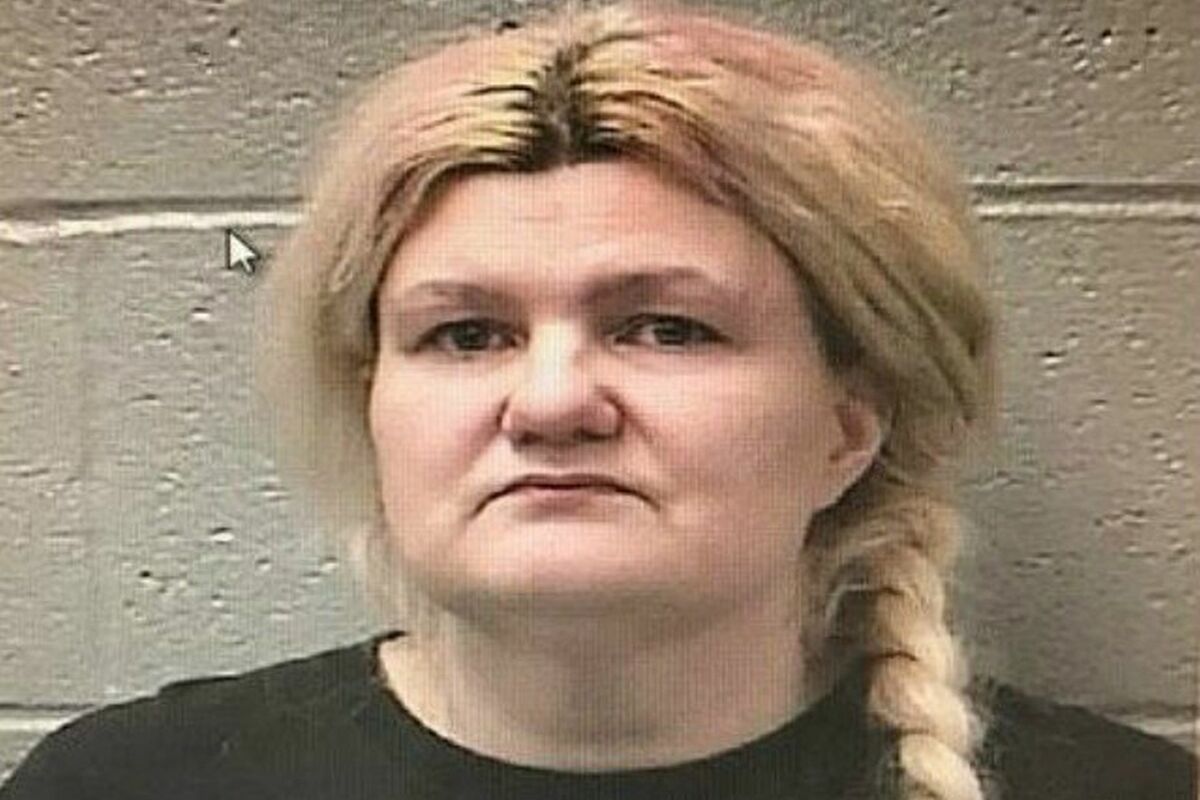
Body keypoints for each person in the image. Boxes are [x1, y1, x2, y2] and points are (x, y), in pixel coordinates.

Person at [2, 2, 1195, 799]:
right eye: (466, 334)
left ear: (849, 423)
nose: (552, 400)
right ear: (372, 403)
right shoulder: (124, 785)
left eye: (665, 327)